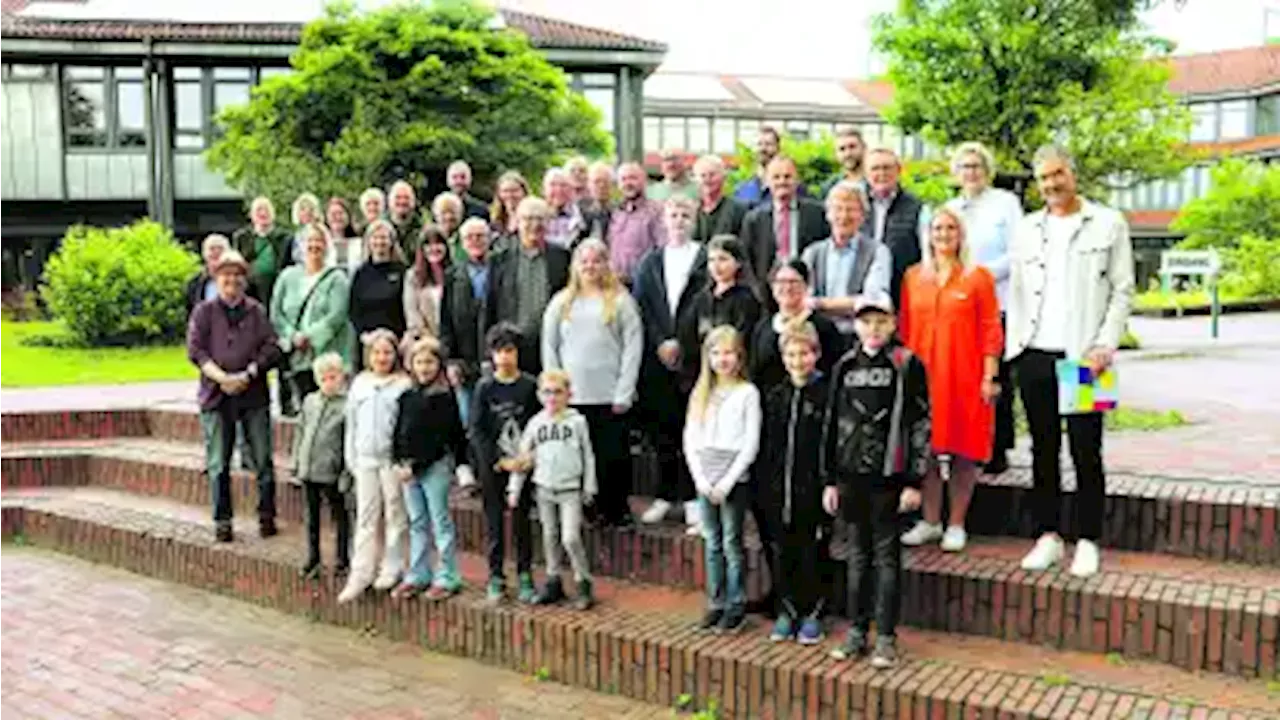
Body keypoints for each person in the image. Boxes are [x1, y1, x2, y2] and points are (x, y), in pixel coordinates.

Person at [1008, 145, 1134, 578]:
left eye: (1057, 174)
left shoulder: (1108, 223)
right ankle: (1047, 536)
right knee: (1042, 449)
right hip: (1035, 353)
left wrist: (1105, 345)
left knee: (1085, 450)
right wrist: (1015, 349)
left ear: (1072, 174)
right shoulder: (1026, 228)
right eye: (1043, 179)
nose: (1051, 185)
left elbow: (1122, 290)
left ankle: (1087, 539)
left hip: (1085, 356)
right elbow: (1019, 292)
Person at [823, 293, 930, 669]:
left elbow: (920, 424)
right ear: (855, 325)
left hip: (890, 479)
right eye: (866, 321)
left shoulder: (907, 364)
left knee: (886, 557)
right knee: (856, 557)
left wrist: (915, 480)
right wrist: (830, 479)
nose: (873, 329)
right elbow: (831, 424)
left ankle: (885, 636)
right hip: (851, 478)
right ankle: (856, 631)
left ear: (894, 323)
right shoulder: (845, 365)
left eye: (881, 321)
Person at [898, 207, 1003, 552]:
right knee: (925, 449)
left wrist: (990, 375)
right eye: (937, 228)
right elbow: (904, 328)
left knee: (963, 451)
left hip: (965, 377)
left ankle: (956, 523)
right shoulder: (914, 277)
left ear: (961, 235)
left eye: (950, 228)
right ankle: (930, 521)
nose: (943, 234)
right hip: (923, 379)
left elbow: (990, 329)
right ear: (928, 235)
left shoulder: (978, 277)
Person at [541, 239, 644, 528]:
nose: (590, 266)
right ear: (575, 266)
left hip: (610, 394)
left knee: (613, 456)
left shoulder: (621, 301)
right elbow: (549, 346)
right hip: (572, 397)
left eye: (596, 260)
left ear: (605, 264)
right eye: (584, 261)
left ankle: (616, 508)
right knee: (579, 459)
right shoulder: (561, 302)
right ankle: (589, 508)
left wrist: (625, 390)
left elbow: (633, 347)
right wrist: (553, 391)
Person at [186, 250, 282, 543]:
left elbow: (271, 347)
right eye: (226, 275)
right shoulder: (204, 311)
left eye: (237, 276)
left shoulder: (256, 311)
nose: (232, 281)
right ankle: (223, 521)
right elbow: (196, 350)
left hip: (252, 393)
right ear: (217, 278)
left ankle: (267, 516)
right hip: (216, 395)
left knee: (263, 460)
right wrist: (222, 378)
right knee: (218, 463)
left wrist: (249, 374)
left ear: (244, 280)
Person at [945, 141, 1022, 475]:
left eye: (976, 166)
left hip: (997, 300)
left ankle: (998, 447)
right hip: (959, 307)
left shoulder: (1005, 203)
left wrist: (981, 277)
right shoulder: (950, 209)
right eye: (964, 166)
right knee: (965, 376)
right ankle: (965, 444)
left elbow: (1018, 251)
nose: (971, 172)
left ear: (987, 170)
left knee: (996, 376)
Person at [633, 196, 708, 534]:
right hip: (657, 358)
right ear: (663, 220)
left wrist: (682, 341)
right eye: (673, 214)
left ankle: (693, 498)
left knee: (693, 428)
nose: (678, 219)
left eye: (685, 214)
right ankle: (665, 496)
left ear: (695, 219)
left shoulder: (705, 259)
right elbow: (643, 308)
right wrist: (661, 341)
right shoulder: (650, 262)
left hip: (694, 359)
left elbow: (705, 305)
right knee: (662, 429)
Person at [684, 325, 761, 634]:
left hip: (733, 476)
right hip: (705, 473)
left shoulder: (747, 393)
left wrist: (729, 480)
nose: (722, 359)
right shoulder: (702, 393)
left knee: (732, 541)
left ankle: (736, 603)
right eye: (715, 353)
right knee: (712, 541)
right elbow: (690, 439)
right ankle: (715, 602)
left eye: (728, 352)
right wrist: (701, 479)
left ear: (739, 356)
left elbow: (750, 443)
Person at [758, 323, 830, 645]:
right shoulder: (776, 395)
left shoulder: (827, 395)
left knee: (812, 551)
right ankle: (786, 610)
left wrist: (831, 483)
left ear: (815, 355)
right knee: (781, 550)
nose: (797, 361)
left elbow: (832, 445)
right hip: (777, 489)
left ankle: (813, 612)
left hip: (812, 490)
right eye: (790, 354)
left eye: (803, 353)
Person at [505, 369, 598, 610]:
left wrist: (589, 485)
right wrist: (514, 488)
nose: (552, 398)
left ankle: (583, 580)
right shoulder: (536, 424)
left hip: (570, 489)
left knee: (570, 537)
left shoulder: (577, 422)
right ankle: (553, 579)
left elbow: (587, 455)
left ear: (569, 394)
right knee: (549, 535)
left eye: (558, 392)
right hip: (544, 487)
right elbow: (523, 457)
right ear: (539, 395)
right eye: (547, 392)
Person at [390, 337, 473, 601]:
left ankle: (447, 574)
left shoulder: (445, 398)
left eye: (429, 361)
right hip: (407, 469)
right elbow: (398, 432)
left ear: (439, 364)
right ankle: (418, 573)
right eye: (419, 362)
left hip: (434, 467)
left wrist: (415, 466)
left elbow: (442, 439)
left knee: (440, 521)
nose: (424, 367)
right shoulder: (406, 397)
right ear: (410, 365)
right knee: (417, 522)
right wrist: (397, 460)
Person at [469, 323, 542, 605]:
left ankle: (525, 573)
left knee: (522, 520)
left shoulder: (529, 386)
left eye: (509, 350)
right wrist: (497, 461)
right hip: (494, 467)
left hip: (523, 467)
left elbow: (537, 424)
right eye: (499, 351)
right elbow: (477, 430)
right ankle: (496, 574)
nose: (505, 357)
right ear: (491, 354)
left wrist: (526, 459)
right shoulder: (484, 388)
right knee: (495, 521)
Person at [338, 328, 413, 603]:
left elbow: (406, 427)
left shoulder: (403, 385)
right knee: (366, 517)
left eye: (387, 352)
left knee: (395, 514)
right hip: (365, 460)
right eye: (377, 352)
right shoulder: (360, 383)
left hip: (390, 461)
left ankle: (393, 566)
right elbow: (352, 424)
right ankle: (361, 572)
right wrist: (352, 460)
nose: (382, 357)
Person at [485, 197, 572, 375]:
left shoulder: (562, 257)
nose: (534, 224)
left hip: (550, 345)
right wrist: (488, 353)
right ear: (517, 222)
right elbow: (490, 306)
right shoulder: (500, 260)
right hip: (511, 347)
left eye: (540, 218)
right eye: (528, 219)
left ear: (548, 222)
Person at [270, 224, 352, 405]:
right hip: (296, 357)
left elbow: (337, 315)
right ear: (300, 245)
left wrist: (309, 337)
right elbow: (276, 314)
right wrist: (293, 336)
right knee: (304, 408)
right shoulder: (287, 276)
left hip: (327, 355)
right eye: (310, 240)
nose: (314, 245)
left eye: (319, 240)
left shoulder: (337, 278)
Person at [801, 181, 892, 335]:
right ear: (828, 214)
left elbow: (871, 301)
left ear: (863, 216)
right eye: (838, 209)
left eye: (851, 210)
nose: (844, 216)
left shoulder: (878, 251)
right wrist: (850, 303)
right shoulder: (812, 252)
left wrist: (820, 303)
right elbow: (804, 300)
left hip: (860, 336)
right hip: (819, 335)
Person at [291, 352, 352, 579]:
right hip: (309, 469)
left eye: (333, 377)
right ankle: (313, 557)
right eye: (324, 378)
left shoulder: (346, 406)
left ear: (341, 377)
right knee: (312, 517)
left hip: (331, 472)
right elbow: (301, 431)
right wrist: (296, 462)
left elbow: (348, 442)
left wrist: (346, 473)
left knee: (340, 515)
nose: (329, 383)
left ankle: (342, 557)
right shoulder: (310, 401)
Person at [677, 235, 763, 391]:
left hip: (733, 376)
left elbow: (744, 340)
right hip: (701, 376)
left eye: (723, 259)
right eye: (712, 260)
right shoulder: (700, 299)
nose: (716, 266)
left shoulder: (746, 299)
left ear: (737, 263)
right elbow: (687, 336)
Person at [749, 259, 844, 390]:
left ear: (806, 286)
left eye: (793, 281)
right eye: (781, 282)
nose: (788, 287)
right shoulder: (762, 328)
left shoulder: (824, 327)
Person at [739, 156, 829, 284]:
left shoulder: (817, 213)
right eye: (776, 177)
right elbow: (746, 260)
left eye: (787, 176)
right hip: (767, 291)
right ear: (767, 182)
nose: (782, 182)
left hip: (807, 285)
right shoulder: (754, 219)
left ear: (797, 180)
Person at [439, 217, 492, 426]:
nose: (475, 241)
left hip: (496, 360)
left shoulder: (500, 271)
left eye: (480, 236)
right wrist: (450, 360)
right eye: (470, 237)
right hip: (463, 362)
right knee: (470, 423)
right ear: (462, 242)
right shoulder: (453, 275)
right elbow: (445, 322)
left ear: (489, 239)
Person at [865, 147, 929, 308]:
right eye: (875, 168)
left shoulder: (918, 208)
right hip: (862, 295)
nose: (881, 173)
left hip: (902, 294)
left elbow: (927, 257)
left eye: (887, 168)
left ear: (899, 170)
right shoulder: (857, 204)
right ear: (866, 173)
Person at [349, 219, 407, 371]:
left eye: (384, 237)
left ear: (392, 241)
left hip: (396, 343)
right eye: (375, 237)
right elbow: (353, 311)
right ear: (368, 242)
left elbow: (406, 308)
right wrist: (365, 336)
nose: (379, 242)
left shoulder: (403, 272)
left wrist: (396, 338)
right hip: (367, 344)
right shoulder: (360, 273)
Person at [607, 163, 665, 286]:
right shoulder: (615, 212)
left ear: (644, 180)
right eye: (624, 179)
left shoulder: (656, 212)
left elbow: (662, 250)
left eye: (633, 178)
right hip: (615, 283)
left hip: (643, 284)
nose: (628, 183)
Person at [231, 196, 292, 309]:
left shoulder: (285, 238)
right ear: (252, 215)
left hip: (276, 286)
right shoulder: (241, 237)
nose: (263, 213)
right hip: (250, 288)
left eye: (266, 210)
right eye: (259, 210)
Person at [403, 225, 450, 345]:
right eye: (428, 244)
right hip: (423, 340)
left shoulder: (455, 273)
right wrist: (428, 338)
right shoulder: (413, 276)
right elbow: (412, 312)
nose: (434, 248)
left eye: (438, 243)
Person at [693, 154, 747, 244]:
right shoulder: (690, 210)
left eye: (712, 175)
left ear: (724, 177)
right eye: (703, 175)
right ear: (696, 180)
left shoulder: (739, 210)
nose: (707, 179)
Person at [185, 234, 230, 318]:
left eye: (220, 248)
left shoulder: (238, 281)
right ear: (204, 255)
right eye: (212, 248)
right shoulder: (195, 284)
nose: (216, 251)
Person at [543, 167, 587, 250]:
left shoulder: (582, 216)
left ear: (571, 190)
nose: (558, 190)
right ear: (544, 190)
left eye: (563, 185)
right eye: (553, 185)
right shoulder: (535, 215)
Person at [819, 128, 868, 199]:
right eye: (842, 149)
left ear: (864, 148)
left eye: (852, 147)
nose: (848, 154)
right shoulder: (829, 187)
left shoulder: (875, 183)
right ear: (835, 154)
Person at [489, 171, 530, 254]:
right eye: (505, 191)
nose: (510, 195)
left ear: (524, 192)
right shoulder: (495, 222)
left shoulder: (532, 219)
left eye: (514, 191)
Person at [578, 161, 615, 242]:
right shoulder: (579, 210)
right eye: (597, 182)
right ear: (588, 184)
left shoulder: (619, 212)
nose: (601, 186)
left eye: (605, 182)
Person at [388, 180, 424, 259]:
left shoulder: (422, 229)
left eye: (406, 198)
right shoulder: (381, 228)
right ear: (390, 201)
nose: (402, 201)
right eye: (398, 197)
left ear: (413, 202)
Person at [325, 197, 361, 269]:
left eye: (340, 213)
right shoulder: (322, 244)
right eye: (333, 214)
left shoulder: (359, 243)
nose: (337, 217)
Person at [289, 193, 322, 265]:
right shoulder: (297, 235)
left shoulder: (321, 231)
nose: (307, 211)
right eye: (303, 209)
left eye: (311, 208)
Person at [431, 192, 465, 264]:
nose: (448, 217)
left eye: (453, 212)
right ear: (436, 215)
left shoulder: (466, 239)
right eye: (443, 213)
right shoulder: (429, 239)